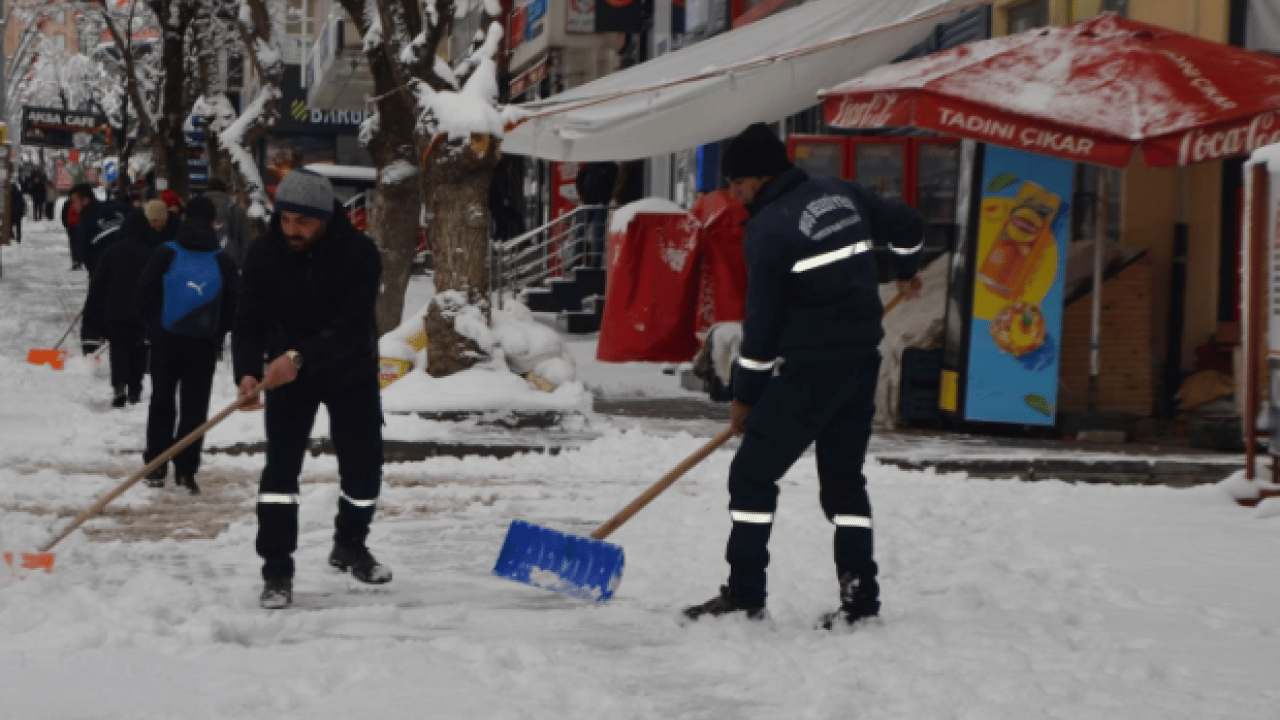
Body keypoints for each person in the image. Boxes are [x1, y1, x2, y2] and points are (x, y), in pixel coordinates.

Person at [682, 123, 924, 629]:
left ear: (762, 177)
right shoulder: (842, 193)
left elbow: (763, 331)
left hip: (811, 374)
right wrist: (907, 268)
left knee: (751, 475)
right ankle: (860, 603)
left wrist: (744, 396)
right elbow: (907, 225)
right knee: (843, 486)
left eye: (738, 183)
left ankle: (745, 595)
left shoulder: (769, 230)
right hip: (860, 366)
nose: (735, 194)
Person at [233, 170, 389, 610]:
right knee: (280, 476)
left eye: (302, 222)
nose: (291, 230)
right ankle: (277, 571)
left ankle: (350, 545)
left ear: (324, 217)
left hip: (349, 370)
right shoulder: (265, 254)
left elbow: (355, 326)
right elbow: (248, 321)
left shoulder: (359, 253)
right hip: (287, 379)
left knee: (364, 470)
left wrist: (299, 356)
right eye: (285, 220)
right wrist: (247, 372)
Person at [135, 196, 238, 495]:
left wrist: (154, 325)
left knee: (162, 402)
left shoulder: (166, 252)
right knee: (194, 408)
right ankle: (185, 473)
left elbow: (143, 294)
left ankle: (155, 467)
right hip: (203, 344)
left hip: (166, 339)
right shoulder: (222, 259)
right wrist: (217, 333)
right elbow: (234, 304)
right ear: (212, 223)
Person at [82, 208, 162, 407]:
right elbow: (160, 286)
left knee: (118, 350)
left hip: (115, 313)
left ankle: (119, 386)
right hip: (141, 313)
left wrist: (92, 317)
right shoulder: (153, 253)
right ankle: (135, 389)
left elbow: (97, 285)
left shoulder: (111, 251)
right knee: (138, 351)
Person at [69, 184, 130, 274]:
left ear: (85, 199)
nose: (73, 206)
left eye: (74, 201)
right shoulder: (116, 207)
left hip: (104, 272)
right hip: (129, 267)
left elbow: (85, 253)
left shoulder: (86, 222)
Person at [202, 178, 254, 270]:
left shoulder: (195, 210)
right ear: (225, 191)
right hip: (229, 266)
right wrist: (240, 266)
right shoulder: (237, 211)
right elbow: (246, 242)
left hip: (201, 266)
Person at [574, 161, 617, 268]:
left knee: (598, 233)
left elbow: (617, 183)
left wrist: (608, 197)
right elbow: (580, 177)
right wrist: (581, 193)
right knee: (580, 231)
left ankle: (596, 262)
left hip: (601, 204)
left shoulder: (611, 166)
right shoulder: (591, 163)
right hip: (588, 202)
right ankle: (577, 259)